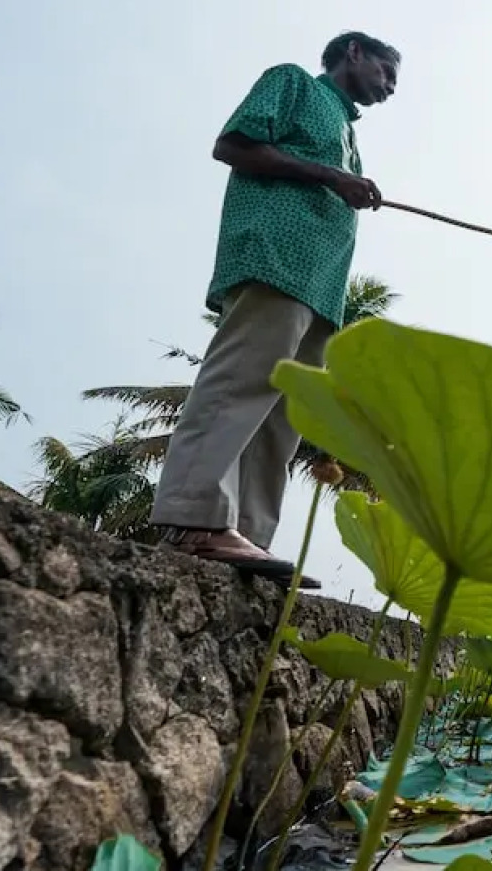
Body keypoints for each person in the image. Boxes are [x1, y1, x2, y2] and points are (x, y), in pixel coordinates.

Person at [149, 31, 400, 585]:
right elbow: (233, 145)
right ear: (354, 52)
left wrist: (343, 176)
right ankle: (194, 520)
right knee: (241, 383)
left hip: (321, 287)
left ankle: (247, 537)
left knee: (284, 414)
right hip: (274, 258)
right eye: (386, 73)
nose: (389, 89)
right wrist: (331, 175)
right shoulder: (292, 83)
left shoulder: (348, 134)